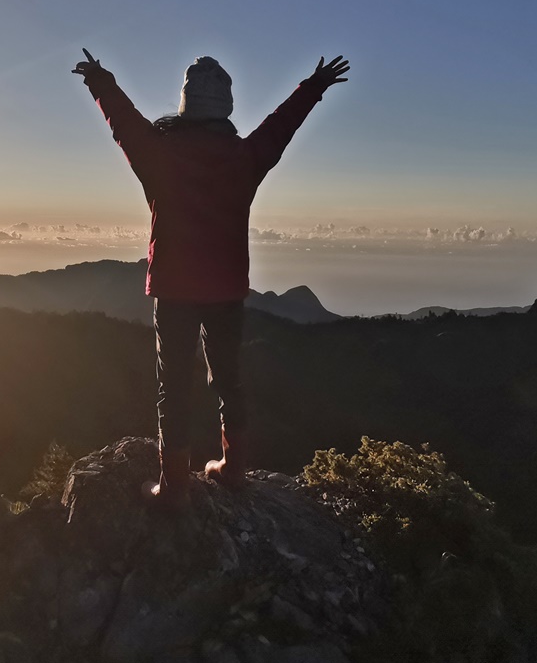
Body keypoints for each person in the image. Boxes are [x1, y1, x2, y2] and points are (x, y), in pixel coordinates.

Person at [74, 49, 350, 507]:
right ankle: (234, 469)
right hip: (225, 289)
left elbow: (125, 123)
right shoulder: (245, 156)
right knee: (229, 378)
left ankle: (175, 487)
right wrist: (313, 86)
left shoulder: (157, 153)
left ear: (184, 106)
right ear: (226, 109)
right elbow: (282, 126)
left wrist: (100, 82)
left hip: (174, 289)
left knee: (173, 386)